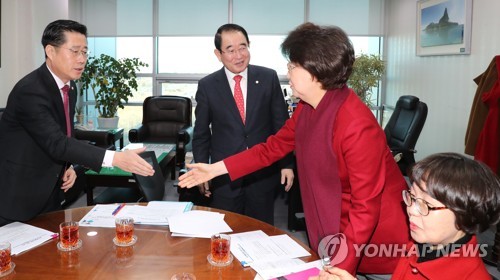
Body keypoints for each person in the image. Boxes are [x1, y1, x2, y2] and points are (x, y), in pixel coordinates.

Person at [179, 22, 410, 277]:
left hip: (373, 245)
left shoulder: (356, 124)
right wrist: (215, 169)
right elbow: (271, 148)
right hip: (334, 233)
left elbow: (366, 206)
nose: (288, 73)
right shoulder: (308, 108)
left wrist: (339, 269)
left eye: (292, 66)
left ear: (314, 70)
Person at [0, 20, 154, 227]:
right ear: (50, 51)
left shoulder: (69, 87)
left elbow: (65, 133)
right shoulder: (31, 90)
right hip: (19, 194)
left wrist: (69, 165)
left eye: (84, 52)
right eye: (74, 51)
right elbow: (56, 142)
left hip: (51, 189)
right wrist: (115, 158)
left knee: (52, 251)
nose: (82, 59)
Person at [310, 153, 500, 280]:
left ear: (466, 216)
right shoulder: (417, 246)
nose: (411, 210)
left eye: (425, 204)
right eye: (412, 197)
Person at [191, 23, 294, 225]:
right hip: (224, 176)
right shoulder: (208, 85)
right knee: (225, 231)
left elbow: (281, 126)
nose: (239, 55)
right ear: (218, 54)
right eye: (230, 50)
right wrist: (202, 171)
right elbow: (202, 134)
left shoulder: (268, 77)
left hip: (262, 174)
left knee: (261, 230)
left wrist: (286, 164)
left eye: (243, 47)